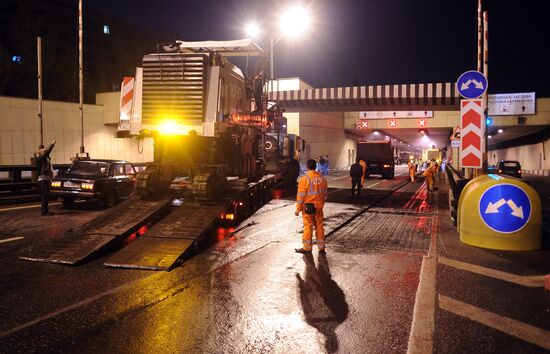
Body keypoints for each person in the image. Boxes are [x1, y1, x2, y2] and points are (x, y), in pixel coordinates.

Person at [295, 159, 328, 254]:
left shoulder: (304, 179)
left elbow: (301, 196)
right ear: (315, 166)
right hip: (318, 208)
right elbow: (325, 194)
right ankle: (321, 248)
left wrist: (298, 209)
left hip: (308, 209)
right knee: (319, 227)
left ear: (307, 167)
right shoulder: (323, 178)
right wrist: (320, 204)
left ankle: (307, 248)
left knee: (308, 227)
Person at [36, 140, 56, 215]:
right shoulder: (40, 159)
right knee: (44, 195)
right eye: (43, 151)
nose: (45, 152)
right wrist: (52, 144)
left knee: (46, 195)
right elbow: (47, 152)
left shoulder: (46, 159)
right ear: (41, 153)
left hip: (47, 178)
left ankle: (46, 210)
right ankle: (44, 211)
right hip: (43, 179)